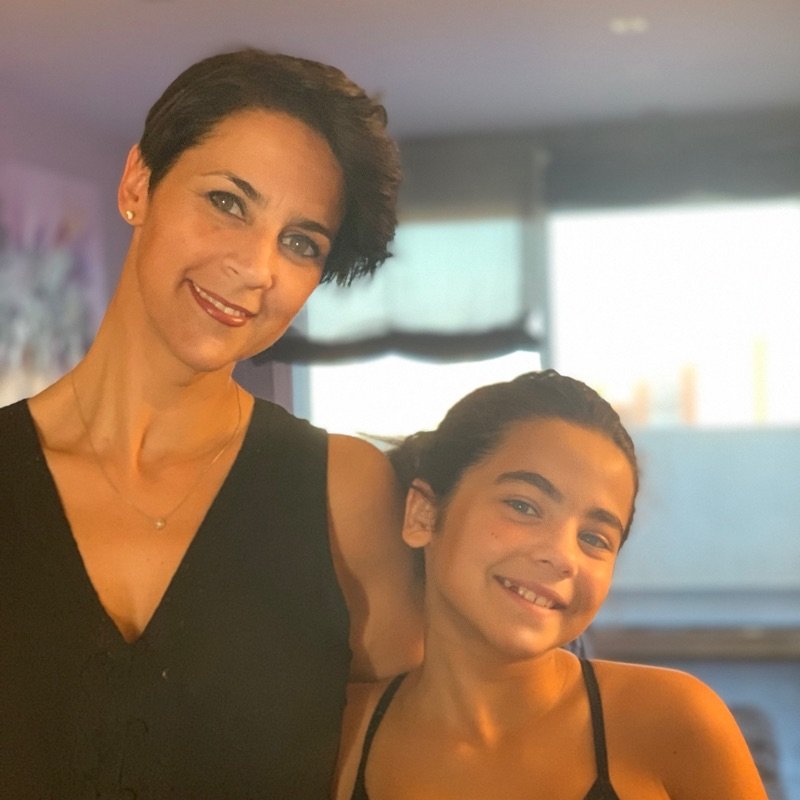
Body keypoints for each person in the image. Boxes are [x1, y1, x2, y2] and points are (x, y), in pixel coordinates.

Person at [0, 48, 423, 798]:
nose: (258, 268)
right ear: (138, 184)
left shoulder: (344, 492)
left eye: (301, 243)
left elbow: (431, 737)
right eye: (228, 202)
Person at [335, 370, 767, 800]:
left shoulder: (673, 722)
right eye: (523, 506)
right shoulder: (339, 736)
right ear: (423, 516)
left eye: (594, 538)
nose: (562, 556)